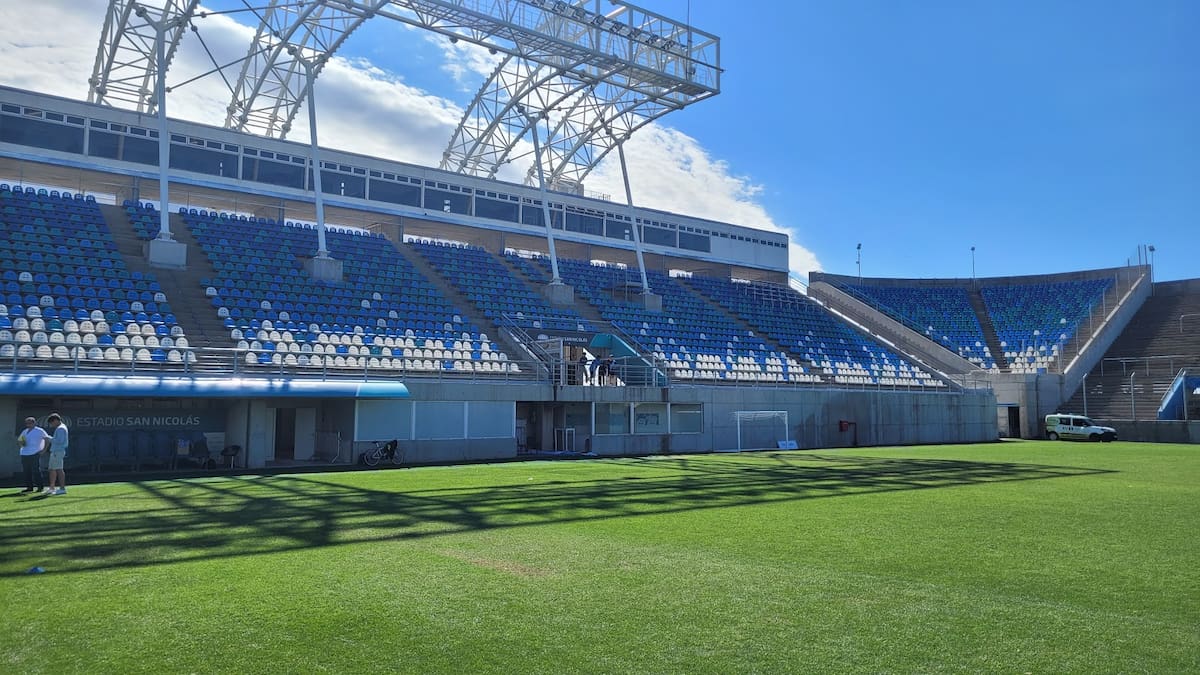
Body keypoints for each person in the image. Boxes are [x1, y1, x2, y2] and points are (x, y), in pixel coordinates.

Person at [17, 416, 48, 494]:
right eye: (27, 423)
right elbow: (20, 440)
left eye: (30, 423)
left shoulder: (40, 430)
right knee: (26, 471)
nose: (28, 425)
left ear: (34, 423)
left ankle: (40, 487)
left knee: (36, 470)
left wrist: (44, 450)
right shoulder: (25, 431)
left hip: (35, 452)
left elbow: (47, 439)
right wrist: (21, 444)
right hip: (24, 453)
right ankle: (29, 487)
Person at [44, 413, 69, 495]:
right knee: (52, 469)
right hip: (55, 451)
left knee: (59, 469)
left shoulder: (61, 429)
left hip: (58, 451)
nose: (51, 425)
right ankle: (52, 488)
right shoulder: (59, 428)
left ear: (56, 420)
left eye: (52, 423)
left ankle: (62, 488)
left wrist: (49, 438)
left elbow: (59, 441)